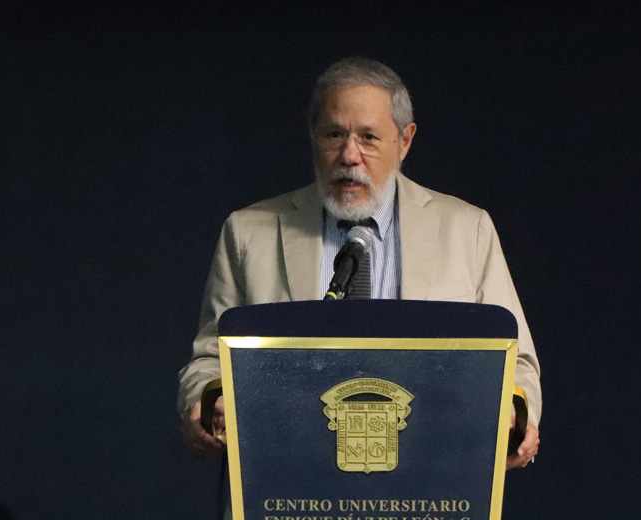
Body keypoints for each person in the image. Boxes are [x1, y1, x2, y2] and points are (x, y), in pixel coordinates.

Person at [179, 57, 541, 470]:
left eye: (369, 137)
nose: (349, 155)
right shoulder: (249, 232)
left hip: (432, 476)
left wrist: (516, 418)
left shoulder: (467, 229)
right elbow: (209, 360)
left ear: (404, 141)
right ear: (313, 136)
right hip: (288, 476)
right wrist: (205, 402)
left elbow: (517, 362)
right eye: (335, 134)